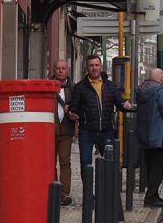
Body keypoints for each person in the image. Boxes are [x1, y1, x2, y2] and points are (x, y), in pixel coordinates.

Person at [68, 55, 131, 172]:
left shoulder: (110, 85)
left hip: (106, 130)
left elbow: (119, 101)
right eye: (91, 65)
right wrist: (72, 114)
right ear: (87, 68)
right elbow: (74, 107)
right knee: (86, 163)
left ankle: (110, 189)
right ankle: (87, 190)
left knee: (110, 162)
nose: (94, 68)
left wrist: (124, 104)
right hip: (86, 131)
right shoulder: (80, 87)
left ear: (101, 67)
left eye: (96, 65)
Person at [136, 68, 163, 207]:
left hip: (144, 134)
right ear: (161, 79)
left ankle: (154, 195)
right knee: (158, 168)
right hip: (158, 135)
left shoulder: (141, 90)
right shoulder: (160, 91)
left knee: (149, 166)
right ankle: (150, 197)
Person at [50, 59, 75, 206]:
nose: (60, 71)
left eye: (63, 68)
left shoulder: (73, 88)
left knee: (65, 161)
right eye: (58, 68)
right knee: (49, 162)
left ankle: (65, 193)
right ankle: (53, 190)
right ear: (54, 70)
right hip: (49, 130)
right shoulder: (47, 85)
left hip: (66, 130)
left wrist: (72, 110)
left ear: (67, 70)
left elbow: (78, 105)